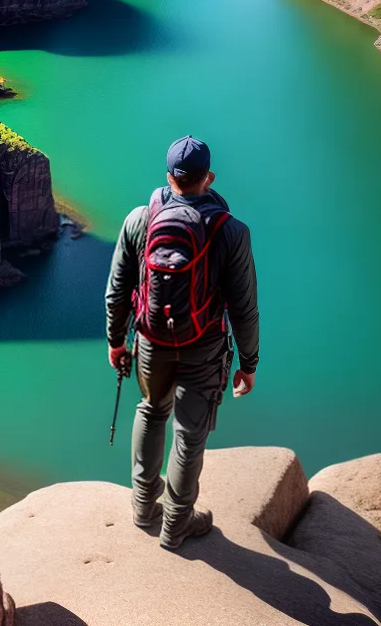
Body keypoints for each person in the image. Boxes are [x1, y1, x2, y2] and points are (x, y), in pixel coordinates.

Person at [105, 135, 259, 550]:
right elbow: (244, 308)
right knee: (189, 434)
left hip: (151, 342)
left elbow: (117, 290)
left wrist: (116, 341)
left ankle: (143, 507)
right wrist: (249, 363)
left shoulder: (140, 219)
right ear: (208, 178)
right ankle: (176, 523)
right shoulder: (231, 231)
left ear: (169, 176)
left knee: (152, 410)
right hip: (203, 346)